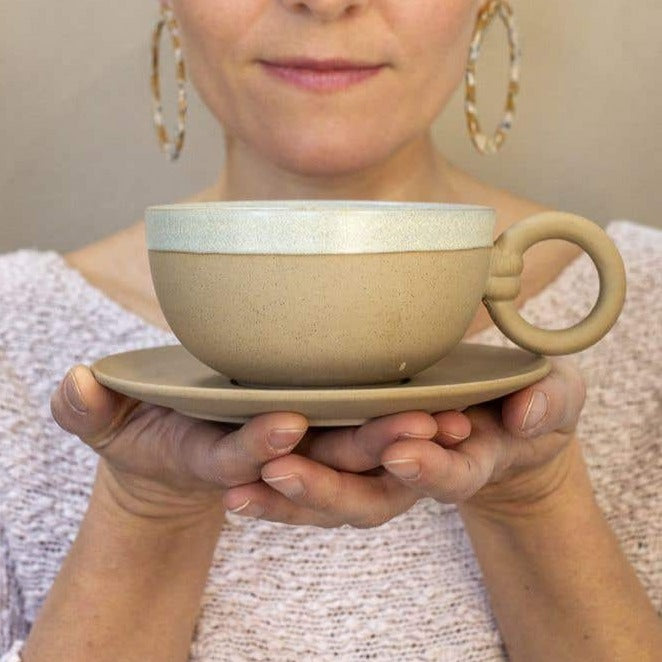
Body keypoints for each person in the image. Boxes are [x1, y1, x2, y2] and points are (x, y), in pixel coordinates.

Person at [1, 0, 660, 660]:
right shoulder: (13, 325)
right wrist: (147, 507)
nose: (324, 2)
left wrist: (535, 499)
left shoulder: (646, 300)